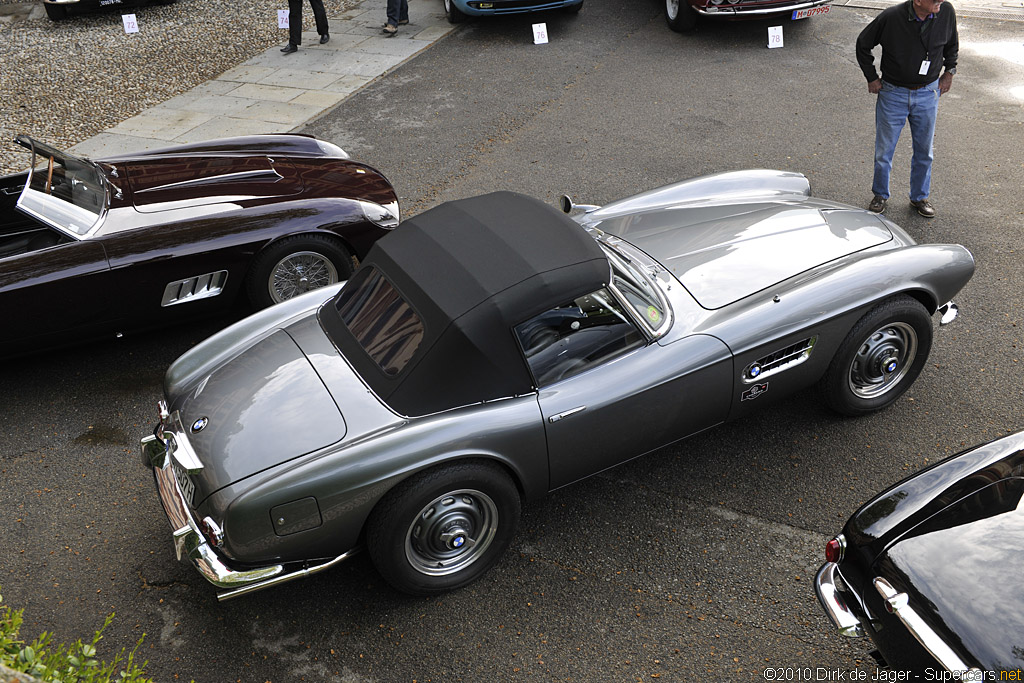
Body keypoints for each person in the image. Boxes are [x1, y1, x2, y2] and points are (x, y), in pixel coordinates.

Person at [855, 0, 958, 218]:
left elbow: (951, 46)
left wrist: (949, 72)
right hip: (893, 94)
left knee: (924, 151)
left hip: (928, 93)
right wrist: (871, 78)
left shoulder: (946, 11)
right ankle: (880, 194)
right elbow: (863, 44)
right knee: (884, 151)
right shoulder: (891, 17)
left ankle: (919, 197)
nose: (940, 1)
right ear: (918, 1)